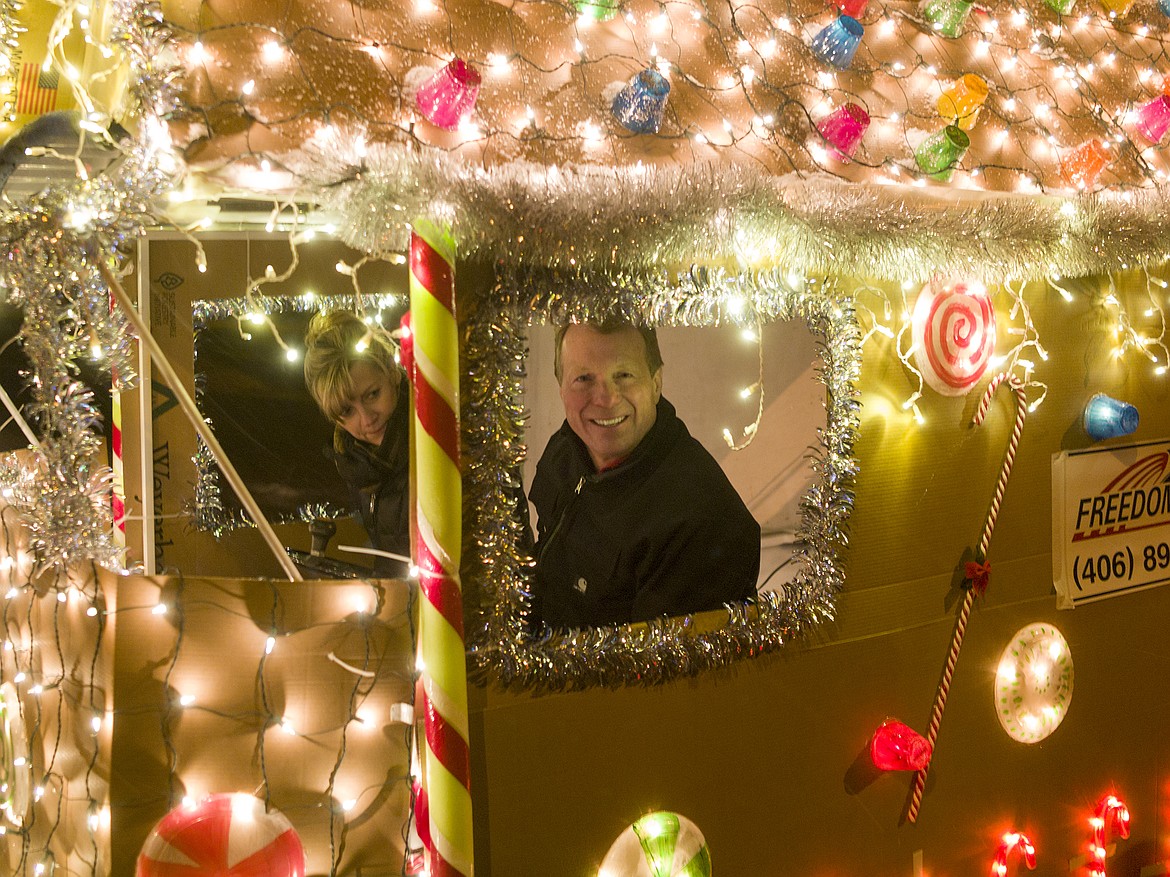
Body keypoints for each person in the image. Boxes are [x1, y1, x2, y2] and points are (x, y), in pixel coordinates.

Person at [529, 320, 760, 628]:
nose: (605, 399)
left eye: (624, 375)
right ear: (561, 389)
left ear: (656, 383)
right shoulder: (566, 448)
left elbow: (654, 672)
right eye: (583, 378)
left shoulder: (701, 521)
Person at [303, 310, 410, 577]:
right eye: (347, 411)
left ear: (391, 371)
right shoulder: (356, 462)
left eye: (372, 394)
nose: (366, 419)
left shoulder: (431, 436)